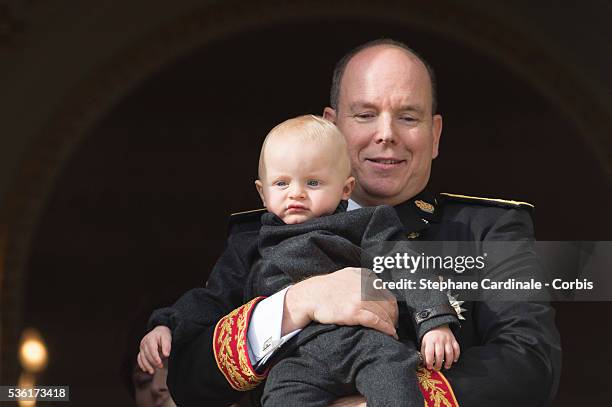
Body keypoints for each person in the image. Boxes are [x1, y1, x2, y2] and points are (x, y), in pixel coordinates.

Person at [140, 39, 561, 407]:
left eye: (408, 117)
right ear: (332, 125)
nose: (386, 134)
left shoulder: (489, 229)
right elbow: (191, 383)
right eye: (364, 114)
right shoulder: (259, 234)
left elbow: (529, 362)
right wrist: (294, 305)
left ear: (434, 135)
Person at [139, 114, 461, 406]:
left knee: (396, 381)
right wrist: (169, 324)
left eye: (313, 182)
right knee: (280, 398)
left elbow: (405, 265)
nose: (296, 193)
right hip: (297, 359)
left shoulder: (367, 224)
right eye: (282, 183)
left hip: (368, 344)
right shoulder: (249, 244)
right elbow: (213, 298)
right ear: (262, 193)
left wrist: (433, 322)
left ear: (345, 188)